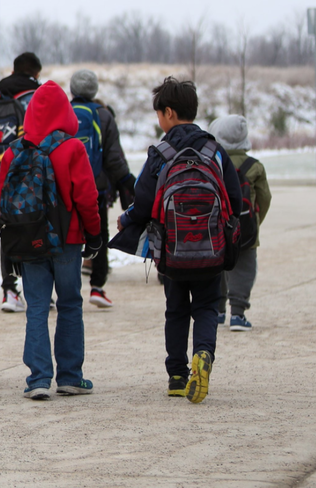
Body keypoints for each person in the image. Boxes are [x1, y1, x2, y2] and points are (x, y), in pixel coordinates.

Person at [118, 77, 242, 404]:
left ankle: (176, 375)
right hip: (211, 249)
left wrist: (127, 220)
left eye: (159, 114)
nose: (158, 121)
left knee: (175, 310)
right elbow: (234, 199)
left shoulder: (161, 152)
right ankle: (203, 353)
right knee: (205, 306)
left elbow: (143, 201)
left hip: (172, 250)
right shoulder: (214, 150)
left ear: (169, 113)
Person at [0, 80, 101, 400]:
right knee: (70, 304)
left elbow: (0, 201)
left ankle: (38, 379)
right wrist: (94, 235)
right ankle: (70, 376)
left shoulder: (15, 150)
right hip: (67, 241)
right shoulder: (72, 147)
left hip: (29, 240)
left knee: (37, 307)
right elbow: (87, 198)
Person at [0, 52, 42, 313]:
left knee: (6, 229)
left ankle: (9, 290)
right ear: (35, 73)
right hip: (28, 173)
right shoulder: (36, 97)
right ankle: (38, 289)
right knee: (33, 226)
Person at [68, 69, 135, 308]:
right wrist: (127, 181)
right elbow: (114, 158)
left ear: (72, 89)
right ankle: (97, 288)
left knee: (67, 236)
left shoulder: (62, 112)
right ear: (95, 90)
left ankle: (66, 288)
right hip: (95, 187)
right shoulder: (104, 115)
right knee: (99, 234)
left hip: (64, 188)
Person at [210, 114, 271, 332]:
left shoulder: (212, 163)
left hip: (215, 228)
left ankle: (217, 310)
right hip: (245, 229)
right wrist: (255, 222)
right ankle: (238, 314)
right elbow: (265, 198)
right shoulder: (255, 167)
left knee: (217, 266)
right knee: (244, 269)